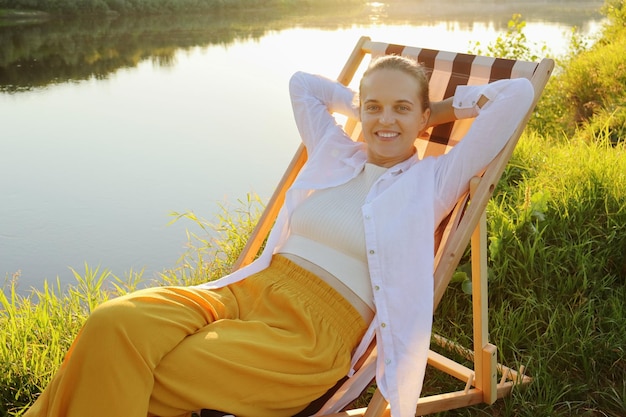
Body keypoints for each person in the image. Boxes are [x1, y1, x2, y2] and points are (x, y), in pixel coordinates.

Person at [24, 54, 534, 417]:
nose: (384, 120)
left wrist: (439, 111)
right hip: (245, 291)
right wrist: (367, 106)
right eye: (373, 107)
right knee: (112, 324)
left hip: (310, 337)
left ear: (423, 117)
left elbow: (516, 94)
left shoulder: (434, 181)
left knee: (160, 368)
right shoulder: (337, 152)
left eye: (403, 109)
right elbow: (301, 84)